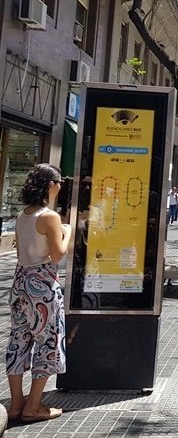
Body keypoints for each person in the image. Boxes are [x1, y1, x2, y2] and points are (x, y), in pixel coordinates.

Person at [6, 163, 70, 423]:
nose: (61, 186)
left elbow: (23, 251)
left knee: (19, 341)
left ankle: (16, 403)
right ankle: (33, 406)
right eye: (59, 182)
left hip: (21, 281)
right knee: (47, 342)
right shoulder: (50, 217)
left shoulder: (24, 215)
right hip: (42, 284)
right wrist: (68, 233)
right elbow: (57, 254)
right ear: (51, 185)